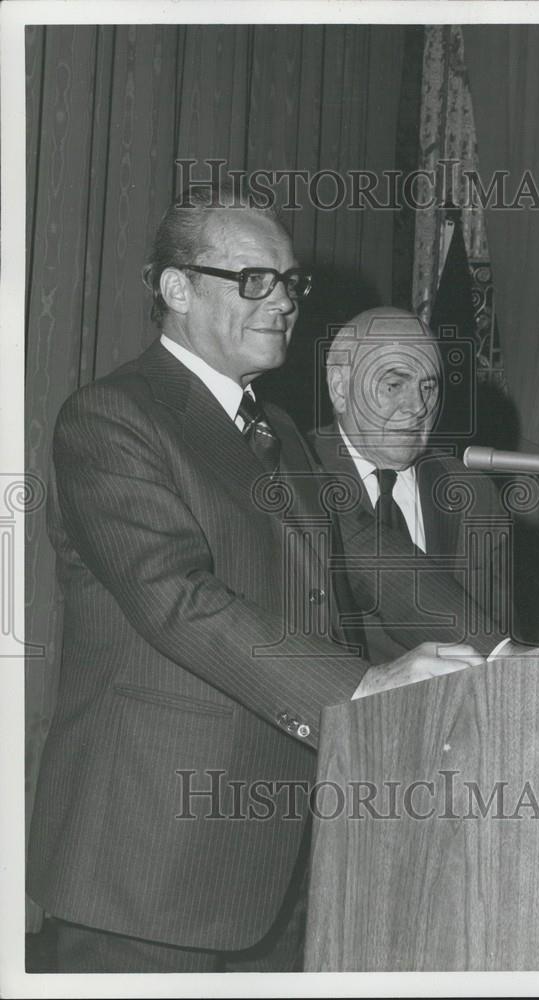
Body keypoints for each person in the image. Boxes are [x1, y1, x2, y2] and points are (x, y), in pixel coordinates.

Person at [26, 186, 483, 972]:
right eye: (253, 281)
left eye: (289, 283)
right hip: (147, 858)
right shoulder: (111, 419)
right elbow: (179, 602)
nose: (282, 302)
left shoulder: (274, 432)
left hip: (280, 858)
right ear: (176, 290)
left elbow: (372, 556)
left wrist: (504, 651)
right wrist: (367, 688)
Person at [308, 309, 514, 664]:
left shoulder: (475, 497)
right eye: (394, 385)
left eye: (429, 387)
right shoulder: (297, 475)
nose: (418, 406)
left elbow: (501, 641)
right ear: (340, 389)